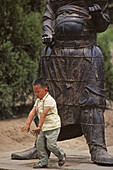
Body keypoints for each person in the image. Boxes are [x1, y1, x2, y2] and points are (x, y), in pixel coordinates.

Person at [11, 0, 113, 165]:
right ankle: (40, 147)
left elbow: (102, 25)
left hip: (86, 52)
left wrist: (97, 15)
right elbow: (48, 16)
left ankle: (98, 148)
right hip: (55, 54)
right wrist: (47, 31)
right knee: (46, 100)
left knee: (92, 101)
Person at [21, 78, 66, 168]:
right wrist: (28, 124)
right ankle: (43, 161)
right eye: (34, 92)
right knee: (39, 144)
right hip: (43, 127)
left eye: (38, 91)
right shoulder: (38, 100)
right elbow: (33, 112)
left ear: (45, 89)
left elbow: (43, 114)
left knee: (51, 145)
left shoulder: (49, 100)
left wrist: (39, 126)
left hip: (53, 126)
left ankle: (61, 154)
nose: (36, 94)